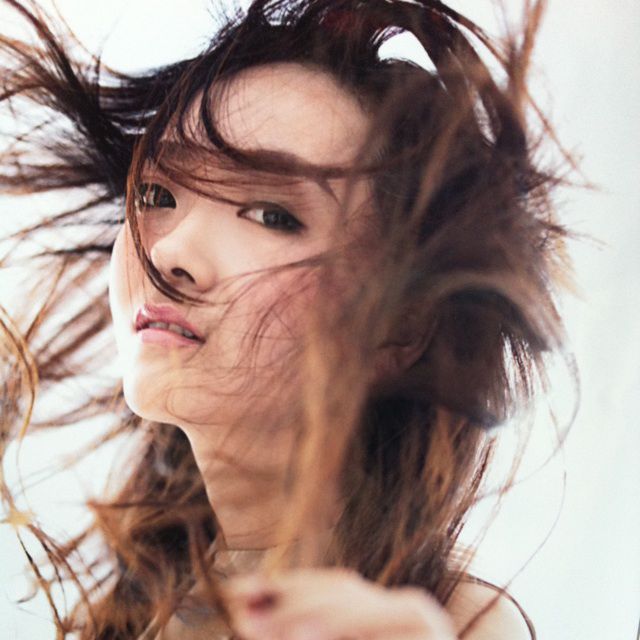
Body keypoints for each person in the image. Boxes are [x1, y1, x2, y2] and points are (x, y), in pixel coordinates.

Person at [0, 0, 570, 638]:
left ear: (400, 326)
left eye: (272, 215)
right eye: (156, 195)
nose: (169, 252)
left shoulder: (449, 625)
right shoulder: (140, 608)